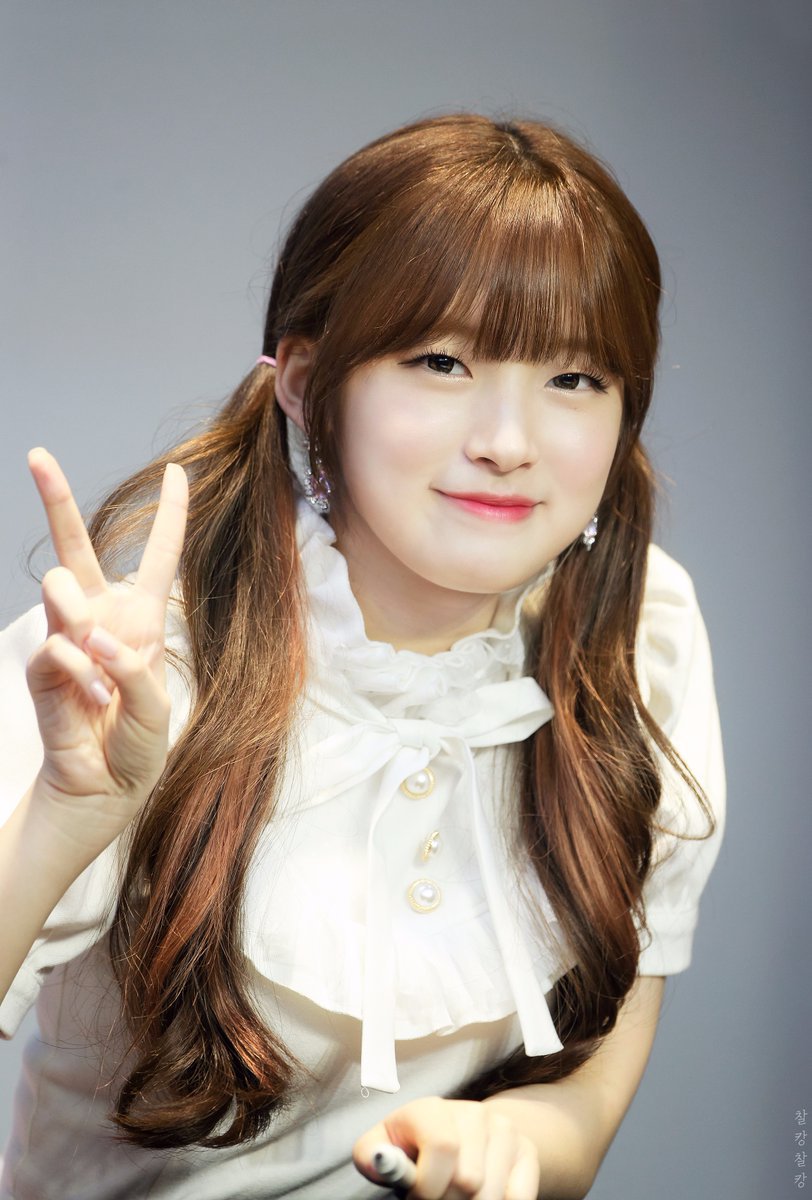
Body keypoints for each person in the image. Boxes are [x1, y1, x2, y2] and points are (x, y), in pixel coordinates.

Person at [0, 112, 724, 1200]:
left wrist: (515, 1136)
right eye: (441, 361)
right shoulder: (137, 669)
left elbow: (586, 1108)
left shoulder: (636, 639)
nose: (507, 442)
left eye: (575, 378)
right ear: (304, 382)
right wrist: (66, 811)